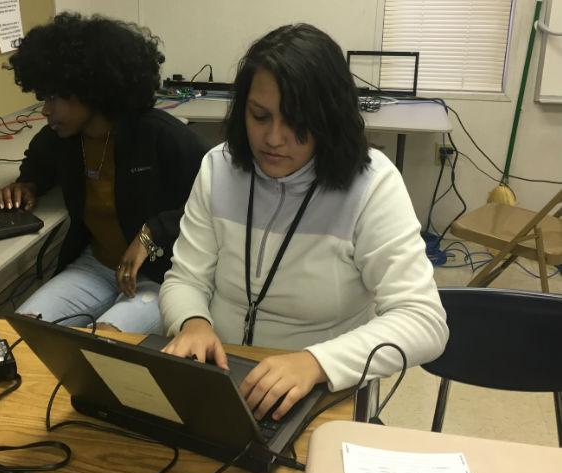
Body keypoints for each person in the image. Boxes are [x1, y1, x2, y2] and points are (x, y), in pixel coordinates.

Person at [159, 24, 448, 421]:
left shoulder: (372, 185)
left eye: (297, 121)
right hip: (223, 378)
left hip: (319, 390)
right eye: (259, 116)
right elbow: (185, 279)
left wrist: (315, 363)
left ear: (329, 118)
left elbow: (424, 321)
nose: (274, 138)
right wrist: (192, 323)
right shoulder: (218, 168)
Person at [0, 13, 208, 333]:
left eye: (54, 98)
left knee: (104, 346)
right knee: (21, 332)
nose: (45, 110)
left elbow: (212, 206)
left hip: (161, 275)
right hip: (94, 267)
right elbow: (38, 160)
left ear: (90, 90)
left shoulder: (162, 136)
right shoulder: (62, 138)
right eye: (44, 98)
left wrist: (152, 231)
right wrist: (28, 183)